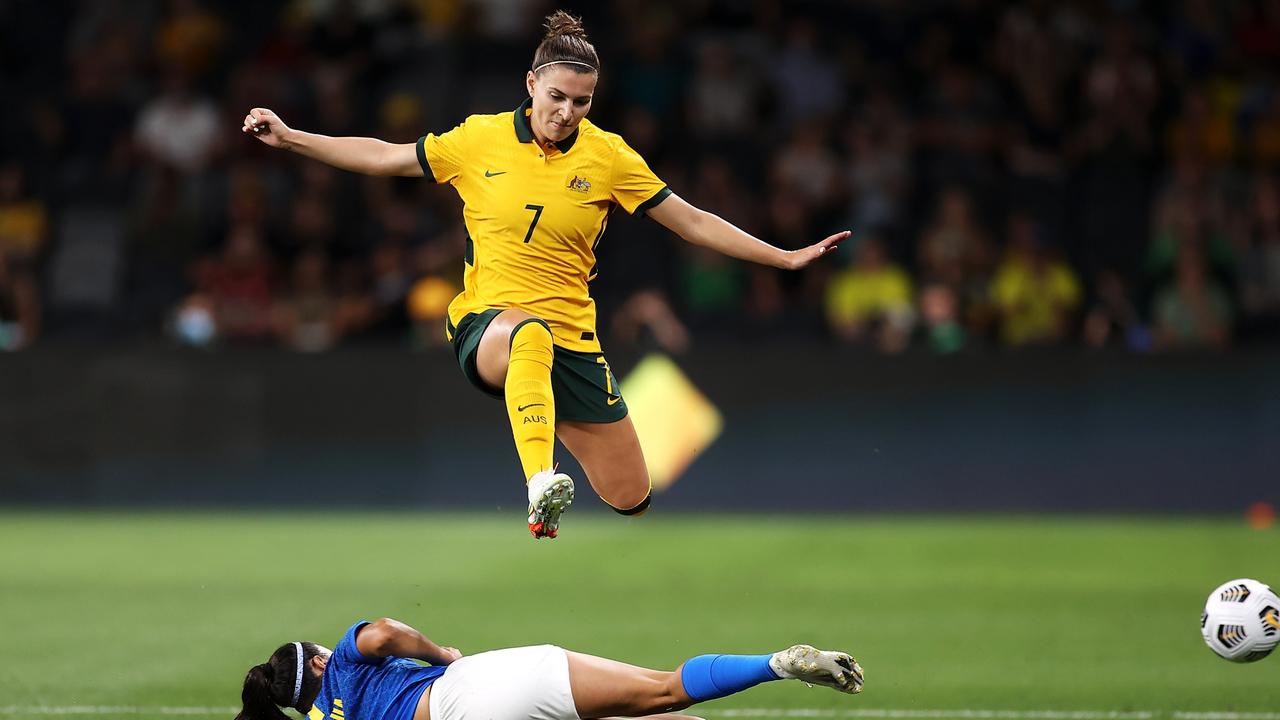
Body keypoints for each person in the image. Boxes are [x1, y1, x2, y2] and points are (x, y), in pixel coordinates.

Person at [242, 11, 850, 538]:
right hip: (490, 328)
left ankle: (535, 405)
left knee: (631, 497)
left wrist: (785, 257)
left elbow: (690, 222)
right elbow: (384, 155)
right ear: (531, 83)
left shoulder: (608, 156)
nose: (565, 112)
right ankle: (540, 485)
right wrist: (293, 138)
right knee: (527, 335)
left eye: (580, 102)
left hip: (574, 343)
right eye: (556, 96)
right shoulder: (478, 139)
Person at [235, 616, 863, 720]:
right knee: (662, 691)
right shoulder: (342, 658)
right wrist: (440, 655)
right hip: (477, 685)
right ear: (318, 659)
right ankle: (776, 665)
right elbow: (383, 635)